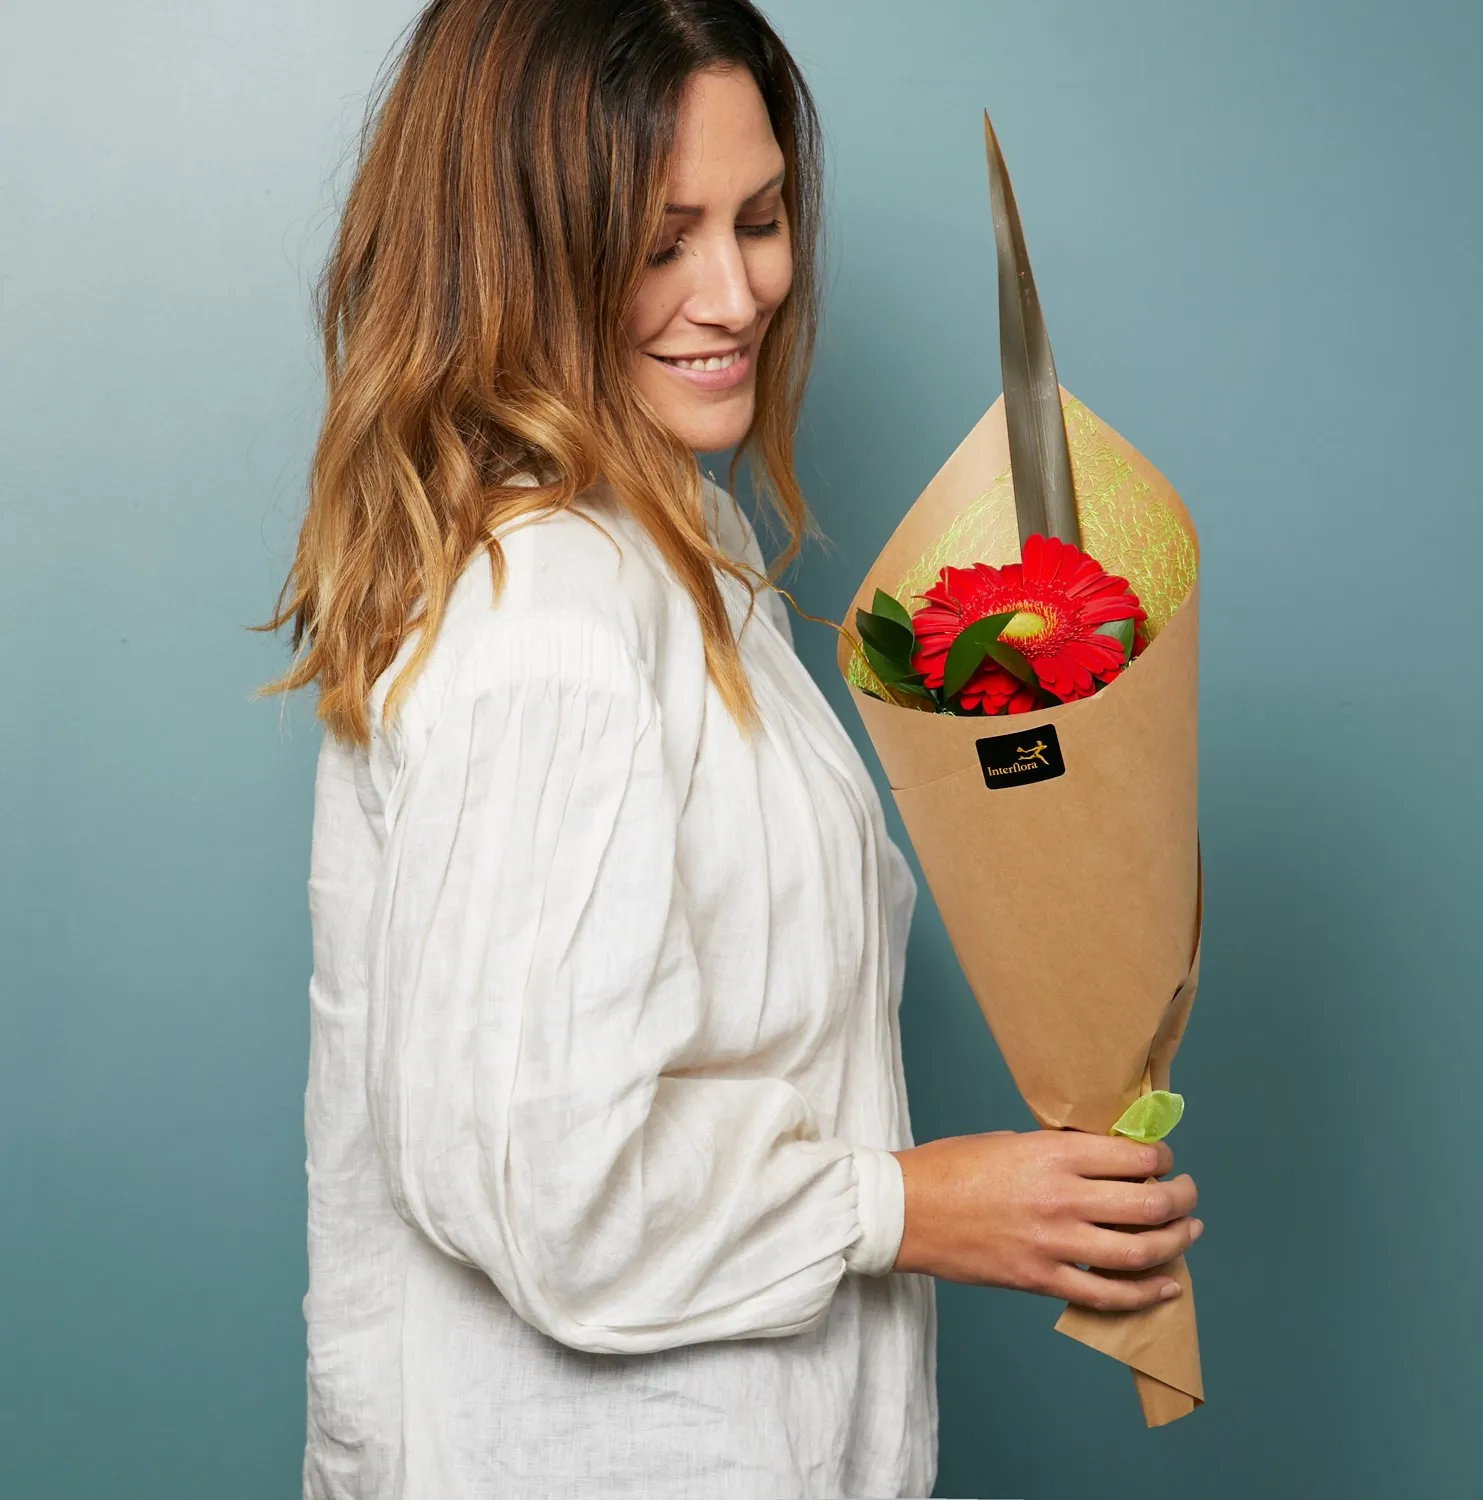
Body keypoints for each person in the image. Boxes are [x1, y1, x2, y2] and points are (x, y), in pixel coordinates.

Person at [261, 1, 1203, 1495]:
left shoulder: (676, 539)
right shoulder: (555, 617)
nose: (738, 292)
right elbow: (548, 1193)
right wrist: (913, 1208)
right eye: (660, 244)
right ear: (518, 257)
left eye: (760, 221)